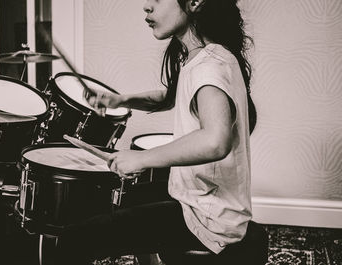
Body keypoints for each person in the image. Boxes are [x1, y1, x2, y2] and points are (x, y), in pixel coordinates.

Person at [56, 0, 257, 264]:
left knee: (73, 240)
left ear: (195, 3)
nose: (147, 7)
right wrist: (121, 99)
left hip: (208, 219)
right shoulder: (208, 56)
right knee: (124, 199)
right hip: (203, 201)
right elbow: (172, 95)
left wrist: (140, 158)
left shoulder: (209, 66)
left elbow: (215, 140)